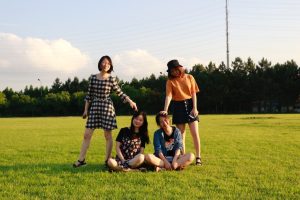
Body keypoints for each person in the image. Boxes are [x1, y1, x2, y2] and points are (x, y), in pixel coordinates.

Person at [73, 55, 138, 168]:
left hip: (107, 107)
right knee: (86, 135)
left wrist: (130, 101)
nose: (106, 65)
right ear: (100, 64)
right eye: (104, 62)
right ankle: (81, 160)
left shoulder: (111, 79)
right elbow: (89, 95)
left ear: (110, 65)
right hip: (95, 107)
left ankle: (107, 161)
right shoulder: (93, 78)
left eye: (108, 63)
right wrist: (85, 110)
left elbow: (120, 93)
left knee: (107, 136)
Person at [160, 59, 202, 165]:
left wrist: (195, 108)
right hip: (178, 106)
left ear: (180, 68)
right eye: (171, 71)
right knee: (181, 135)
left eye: (175, 69)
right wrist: (165, 109)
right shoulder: (170, 81)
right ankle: (182, 157)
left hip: (190, 105)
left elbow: (193, 93)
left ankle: (198, 157)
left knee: (195, 133)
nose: (174, 72)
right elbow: (169, 96)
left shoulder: (189, 77)